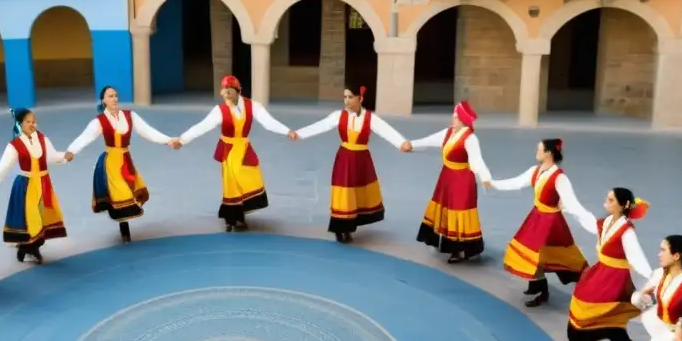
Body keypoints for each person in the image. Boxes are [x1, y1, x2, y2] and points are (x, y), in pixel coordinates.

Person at [171, 74, 292, 232]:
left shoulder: (253, 106)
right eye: (224, 90)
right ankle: (232, 218)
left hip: (243, 148)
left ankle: (242, 210)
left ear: (238, 91)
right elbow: (202, 126)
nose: (226, 93)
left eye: (230, 90)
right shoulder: (219, 110)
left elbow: (268, 122)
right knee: (231, 183)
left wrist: (286, 131)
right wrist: (182, 140)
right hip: (228, 151)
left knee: (250, 177)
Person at [290, 84, 407, 242]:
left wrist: (401, 142)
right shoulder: (338, 116)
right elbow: (321, 126)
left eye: (350, 97)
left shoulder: (370, 118)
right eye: (344, 97)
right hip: (345, 159)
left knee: (356, 193)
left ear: (360, 98)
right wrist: (300, 134)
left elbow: (387, 131)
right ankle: (340, 228)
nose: (346, 100)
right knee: (344, 192)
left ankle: (350, 226)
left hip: (361, 160)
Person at [486, 139, 593, 307]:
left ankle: (586, 285)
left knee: (561, 256)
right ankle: (539, 286)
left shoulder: (560, 178)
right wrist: (493, 184)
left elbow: (573, 204)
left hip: (551, 223)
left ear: (549, 153)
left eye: (539, 149)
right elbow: (516, 182)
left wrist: (592, 223)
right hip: (537, 218)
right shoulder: (535, 171)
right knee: (532, 253)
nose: (537, 152)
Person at [63, 86, 174, 243]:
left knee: (130, 190)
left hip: (126, 160)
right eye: (110, 96)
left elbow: (148, 131)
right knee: (121, 194)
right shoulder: (99, 121)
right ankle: (124, 229)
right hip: (111, 163)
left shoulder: (130, 116)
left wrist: (168, 140)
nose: (114, 99)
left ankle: (123, 225)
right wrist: (71, 151)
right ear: (104, 100)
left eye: (115, 95)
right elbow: (85, 137)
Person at [402, 101, 492, 263]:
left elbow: (476, 159)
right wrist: (411, 144)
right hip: (447, 177)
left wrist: (484, 176)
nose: (453, 118)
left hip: (462, 179)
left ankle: (458, 249)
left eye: (456, 116)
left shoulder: (470, 138)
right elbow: (430, 140)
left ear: (462, 119)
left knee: (458, 211)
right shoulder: (449, 133)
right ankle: (450, 244)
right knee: (446, 208)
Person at [567, 188, 652, 341]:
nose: (606, 201)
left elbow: (638, 261)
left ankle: (618, 338)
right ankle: (620, 339)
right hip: (600, 275)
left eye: (611, 199)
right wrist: (570, 208)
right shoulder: (607, 223)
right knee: (582, 316)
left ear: (622, 206)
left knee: (587, 320)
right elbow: (589, 222)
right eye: (607, 197)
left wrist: (650, 284)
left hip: (614, 280)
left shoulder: (627, 232)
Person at [0, 108, 69, 264]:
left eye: (34, 121)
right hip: (26, 187)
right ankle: (29, 248)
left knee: (45, 218)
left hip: (44, 184)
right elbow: (3, 166)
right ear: (20, 124)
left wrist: (65, 156)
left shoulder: (42, 139)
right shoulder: (15, 145)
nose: (32, 124)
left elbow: (51, 157)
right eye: (28, 122)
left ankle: (29, 248)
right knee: (32, 220)